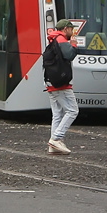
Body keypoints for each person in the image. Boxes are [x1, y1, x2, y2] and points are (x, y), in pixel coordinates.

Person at [42, 19, 78, 155]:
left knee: (57, 114)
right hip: (61, 84)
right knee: (72, 111)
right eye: (71, 29)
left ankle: (54, 146)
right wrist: (74, 45)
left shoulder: (52, 39)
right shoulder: (61, 39)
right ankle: (56, 139)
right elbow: (69, 55)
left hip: (50, 81)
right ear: (65, 29)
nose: (72, 32)